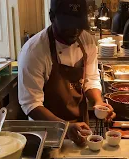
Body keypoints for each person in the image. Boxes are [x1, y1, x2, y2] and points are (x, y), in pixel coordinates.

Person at [18, 0, 115, 146]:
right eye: (68, 25)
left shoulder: (87, 40)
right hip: (47, 131)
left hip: (80, 125)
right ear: (52, 17)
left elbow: (91, 79)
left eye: (79, 25)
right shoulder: (34, 51)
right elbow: (31, 103)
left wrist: (98, 102)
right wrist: (65, 126)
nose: (75, 31)